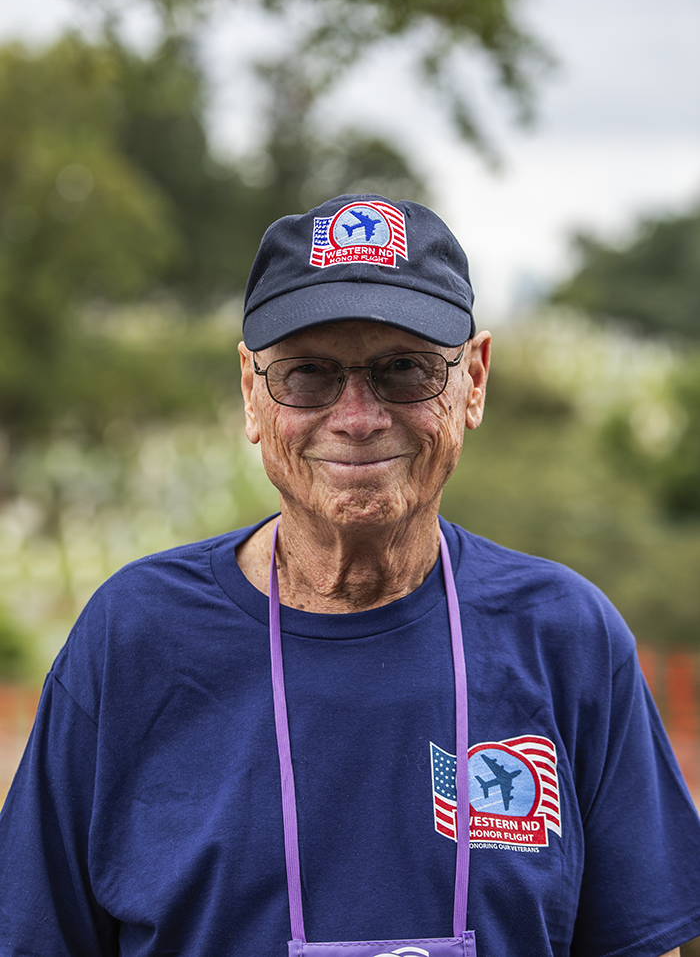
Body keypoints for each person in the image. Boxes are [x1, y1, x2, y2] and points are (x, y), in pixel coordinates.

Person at [0, 194, 699, 957]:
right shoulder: (132, 638)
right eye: (308, 375)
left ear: (476, 381)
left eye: (405, 370)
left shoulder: (566, 637)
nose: (359, 416)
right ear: (251, 392)